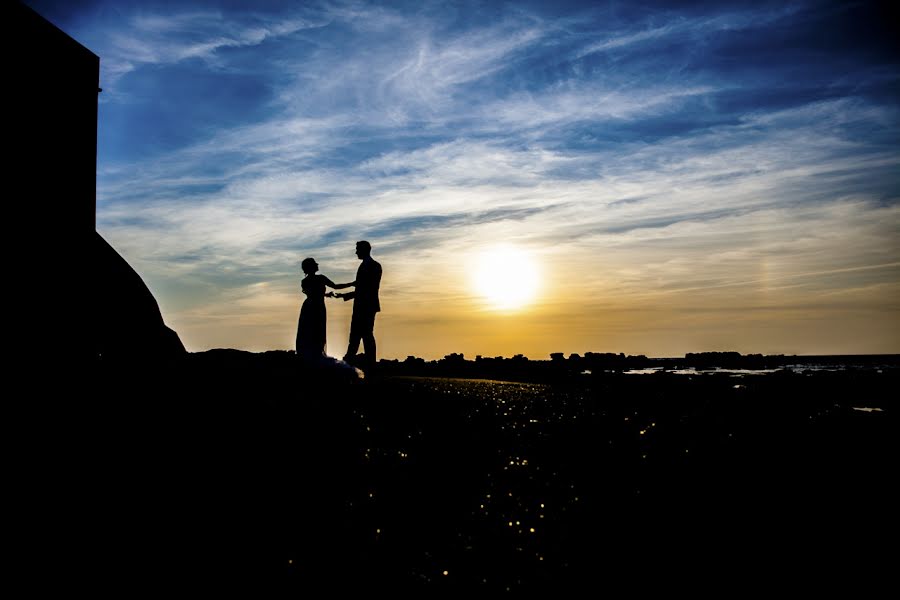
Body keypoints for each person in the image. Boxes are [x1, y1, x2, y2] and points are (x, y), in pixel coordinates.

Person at [334, 241, 382, 372]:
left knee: (364, 335)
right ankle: (351, 361)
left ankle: (354, 363)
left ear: (364, 250)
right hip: (364, 306)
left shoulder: (373, 266)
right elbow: (361, 288)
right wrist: (343, 296)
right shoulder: (369, 266)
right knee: (359, 335)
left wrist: (345, 295)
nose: (356, 252)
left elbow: (367, 289)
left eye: (357, 249)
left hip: (365, 306)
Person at [295, 257, 351, 362]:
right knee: (316, 330)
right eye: (315, 264)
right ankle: (315, 354)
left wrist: (324, 294)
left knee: (311, 330)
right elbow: (335, 286)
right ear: (312, 267)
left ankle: (310, 354)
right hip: (317, 307)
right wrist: (352, 284)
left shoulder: (305, 281)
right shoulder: (320, 278)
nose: (317, 265)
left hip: (309, 306)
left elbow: (312, 293)